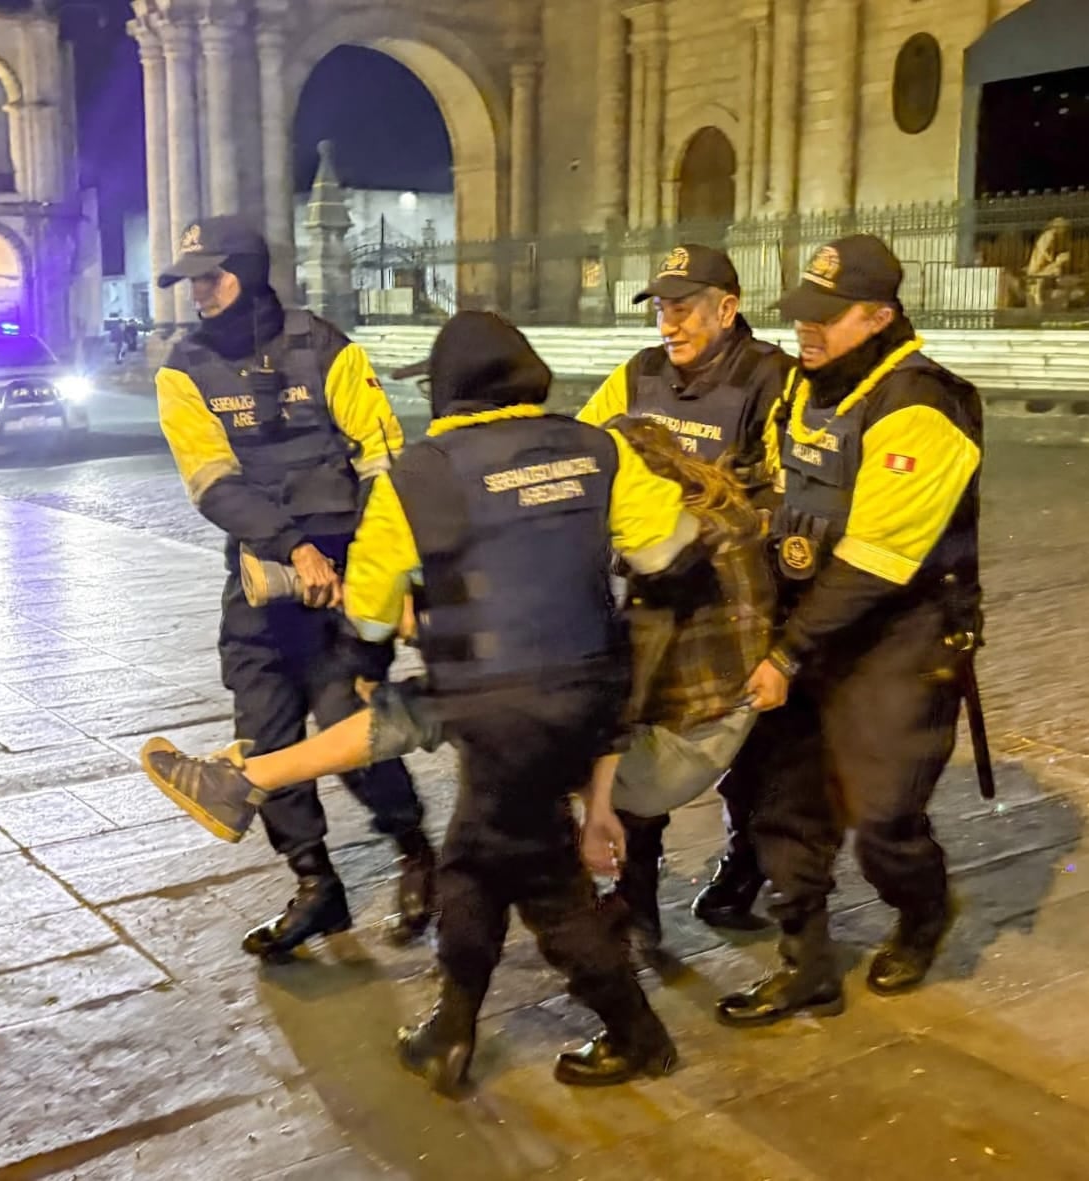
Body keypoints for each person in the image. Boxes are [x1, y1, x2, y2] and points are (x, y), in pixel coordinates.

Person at [146, 311, 693, 1095]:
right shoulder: (595, 448)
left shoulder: (427, 472)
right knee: (476, 862)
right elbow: (669, 553)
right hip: (589, 690)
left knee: (542, 882)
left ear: (453, 391)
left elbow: (369, 609)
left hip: (495, 703)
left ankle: (635, 1031)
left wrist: (366, 666)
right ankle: (452, 1028)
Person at [142, 416, 776, 957]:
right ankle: (251, 781)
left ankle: (247, 780)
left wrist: (600, 810)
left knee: (451, 703)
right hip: (682, 731)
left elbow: (620, 688)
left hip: (672, 751)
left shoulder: (667, 564)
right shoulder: (701, 524)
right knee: (480, 695)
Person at [716, 236, 985, 1027]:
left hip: (901, 633)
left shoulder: (921, 405)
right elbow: (778, 487)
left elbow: (875, 561)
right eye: (803, 314)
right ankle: (808, 966)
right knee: (785, 799)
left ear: (880, 317)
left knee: (882, 815)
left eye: (827, 319)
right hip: (808, 623)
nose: (808, 330)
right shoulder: (809, 384)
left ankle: (922, 911)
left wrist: (788, 652)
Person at [153, 216, 434, 962]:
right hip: (263, 584)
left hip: (346, 583)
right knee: (264, 740)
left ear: (242, 273)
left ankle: (415, 851)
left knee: (354, 727)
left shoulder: (325, 346)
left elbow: (380, 457)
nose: (197, 296)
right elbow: (211, 481)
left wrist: (374, 567)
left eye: (207, 279)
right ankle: (316, 884)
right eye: (189, 282)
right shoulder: (182, 369)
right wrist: (292, 546)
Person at [578, 243, 798, 934]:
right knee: (641, 728)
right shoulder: (640, 371)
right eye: (662, 310)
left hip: (736, 600)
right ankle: (634, 896)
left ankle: (745, 866)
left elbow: (781, 495)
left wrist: (685, 518)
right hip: (653, 589)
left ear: (727, 309)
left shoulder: (771, 379)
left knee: (753, 756)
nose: (668, 326)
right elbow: (588, 447)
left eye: (684, 310)